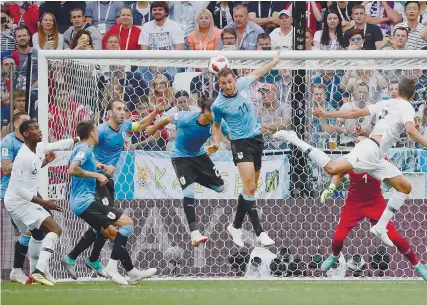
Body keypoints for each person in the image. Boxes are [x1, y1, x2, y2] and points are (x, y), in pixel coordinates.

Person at [273, 78, 427, 246]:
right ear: (411, 96)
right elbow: (410, 129)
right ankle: (294, 138)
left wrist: (327, 113)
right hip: (369, 150)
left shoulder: (385, 103)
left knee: (405, 187)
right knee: (332, 168)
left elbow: (354, 113)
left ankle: (380, 227)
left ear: (398, 91)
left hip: (377, 157)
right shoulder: (407, 106)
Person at [62, 100, 158, 278]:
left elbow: (143, 124)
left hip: (108, 181)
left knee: (103, 225)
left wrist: (156, 112)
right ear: (109, 113)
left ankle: (85, 258)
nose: (123, 112)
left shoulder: (125, 126)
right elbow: (83, 157)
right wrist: (101, 169)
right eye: (118, 109)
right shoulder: (101, 132)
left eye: (124, 109)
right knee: (113, 224)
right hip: (98, 184)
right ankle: (121, 267)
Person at [318, 137, 427, 281]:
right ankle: (334, 256)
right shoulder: (350, 159)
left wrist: (400, 190)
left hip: (376, 204)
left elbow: (393, 175)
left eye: (363, 142)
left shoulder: (380, 159)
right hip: (354, 205)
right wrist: (331, 188)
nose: (360, 144)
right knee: (338, 238)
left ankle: (417, 265)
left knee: (395, 237)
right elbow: (338, 173)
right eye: (357, 142)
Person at [207, 53, 282, 248]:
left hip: (256, 140)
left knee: (251, 188)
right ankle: (260, 232)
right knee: (249, 185)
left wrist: (273, 62)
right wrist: (217, 142)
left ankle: (235, 226)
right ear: (219, 84)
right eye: (224, 83)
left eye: (230, 81)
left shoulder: (242, 84)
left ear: (234, 79)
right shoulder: (218, 105)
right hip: (240, 144)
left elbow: (257, 73)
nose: (228, 85)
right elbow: (216, 126)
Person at [145, 97, 228, 246]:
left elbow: (227, 134)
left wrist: (218, 144)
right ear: (206, 111)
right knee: (189, 193)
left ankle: (192, 177)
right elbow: (167, 119)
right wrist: (153, 128)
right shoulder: (187, 118)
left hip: (199, 155)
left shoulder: (217, 122)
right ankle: (194, 234)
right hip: (181, 157)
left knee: (220, 187)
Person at [4, 120, 79, 286]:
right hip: (19, 202)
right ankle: (39, 271)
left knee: (33, 234)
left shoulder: (38, 148)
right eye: (34, 128)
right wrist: (44, 202)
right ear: (25, 134)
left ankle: (25, 272)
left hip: (18, 200)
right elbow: (20, 190)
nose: (39, 130)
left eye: (38, 127)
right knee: (55, 229)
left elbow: (57, 145)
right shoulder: (23, 157)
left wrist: (78, 138)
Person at [1, 112, 31, 284]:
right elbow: (6, 169)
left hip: (30, 191)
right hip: (12, 193)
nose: (30, 124)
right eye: (25, 122)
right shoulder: (7, 142)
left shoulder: (32, 142)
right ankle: (18, 270)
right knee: (30, 229)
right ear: (16, 125)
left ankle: (36, 270)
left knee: (45, 227)